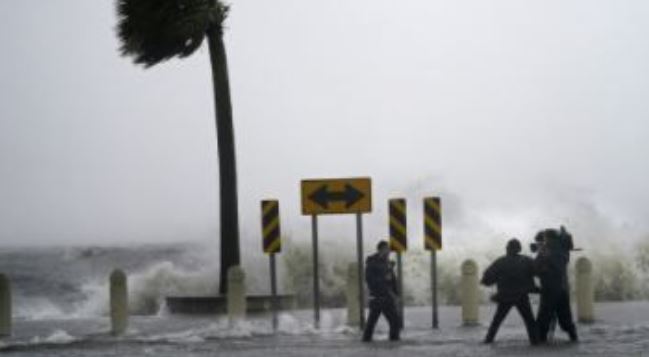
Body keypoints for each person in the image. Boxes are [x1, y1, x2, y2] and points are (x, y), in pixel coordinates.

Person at [481, 238, 539, 345]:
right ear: (519, 249)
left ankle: (488, 340)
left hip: (505, 296)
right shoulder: (527, 261)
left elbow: (486, 279)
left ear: (507, 249)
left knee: (497, 321)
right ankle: (535, 341)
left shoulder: (500, 261)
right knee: (530, 321)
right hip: (521, 296)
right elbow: (539, 271)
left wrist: (490, 283)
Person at [534, 228, 578, 343]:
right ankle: (573, 337)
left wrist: (540, 253)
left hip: (549, 289)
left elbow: (536, 268)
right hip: (562, 289)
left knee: (544, 317)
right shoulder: (564, 249)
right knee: (565, 316)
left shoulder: (545, 250)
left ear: (547, 238)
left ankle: (541, 341)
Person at [362, 240, 400, 342]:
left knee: (395, 322)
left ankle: (394, 343)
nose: (389, 251)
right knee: (372, 323)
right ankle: (366, 342)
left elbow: (392, 280)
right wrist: (384, 278)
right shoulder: (372, 263)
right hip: (377, 298)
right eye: (387, 249)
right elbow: (369, 280)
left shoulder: (387, 262)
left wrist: (396, 294)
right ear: (382, 249)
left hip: (387, 298)